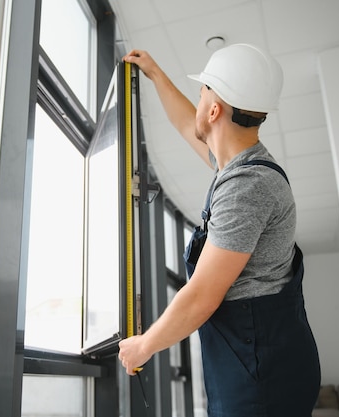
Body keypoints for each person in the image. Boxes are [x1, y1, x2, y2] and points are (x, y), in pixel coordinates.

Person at [118, 44, 321, 417]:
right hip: (255, 361)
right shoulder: (238, 167)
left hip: (262, 379)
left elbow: (201, 297)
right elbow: (186, 125)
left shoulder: (247, 186)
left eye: (202, 94)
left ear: (213, 111)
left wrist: (143, 346)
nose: (196, 105)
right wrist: (156, 73)